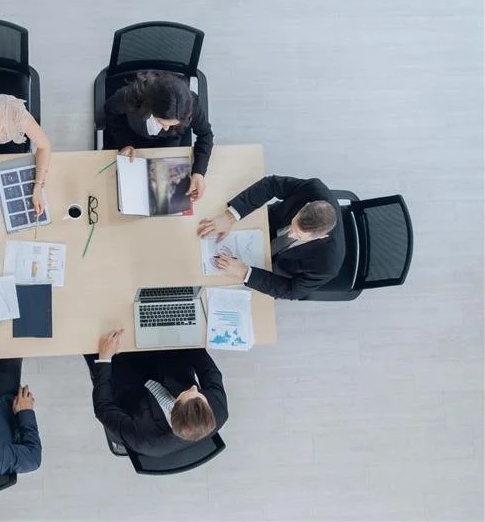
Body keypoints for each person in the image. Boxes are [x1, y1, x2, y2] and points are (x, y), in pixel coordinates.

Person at [197, 175, 345, 300]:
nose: (291, 234)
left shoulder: (328, 265)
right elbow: (271, 184)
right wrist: (229, 217)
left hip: (271, 266)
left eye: (299, 236)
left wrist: (245, 273)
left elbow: (291, 291)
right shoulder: (313, 189)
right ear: (306, 206)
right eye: (293, 225)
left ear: (321, 237)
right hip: (264, 223)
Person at [85, 329, 228, 458]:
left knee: (93, 336)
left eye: (187, 393)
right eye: (199, 394)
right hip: (165, 362)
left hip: (126, 383)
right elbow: (209, 370)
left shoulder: (144, 440)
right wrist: (185, 333)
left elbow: (102, 408)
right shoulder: (218, 409)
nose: (194, 388)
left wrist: (104, 359)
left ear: (173, 410)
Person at [105, 71, 214, 202]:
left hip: (169, 142)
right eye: (162, 122)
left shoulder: (191, 105)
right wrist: (124, 143)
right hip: (133, 139)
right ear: (150, 108)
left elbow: (205, 134)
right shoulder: (131, 97)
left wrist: (199, 172)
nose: (167, 127)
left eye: (172, 124)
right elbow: (111, 113)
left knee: (165, 196)